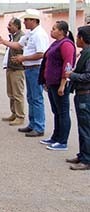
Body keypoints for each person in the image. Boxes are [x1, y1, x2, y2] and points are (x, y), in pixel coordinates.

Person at [0, 9, 49, 137]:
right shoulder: (30, 34)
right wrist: (3, 42)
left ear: (33, 20)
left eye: (26, 20)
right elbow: (18, 45)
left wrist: (23, 58)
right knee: (30, 98)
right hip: (29, 69)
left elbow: (41, 54)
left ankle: (39, 126)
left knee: (36, 98)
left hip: (35, 68)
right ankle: (33, 124)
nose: (25, 22)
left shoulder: (39, 35)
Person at [38, 21, 76, 151]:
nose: (51, 31)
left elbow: (68, 64)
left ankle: (62, 141)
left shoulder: (66, 44)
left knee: (63, 112)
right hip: (52, 83)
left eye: (54, 29)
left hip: (60, 84)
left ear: (61, 31)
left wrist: (62, 84)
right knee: (56, 111)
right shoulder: (56, 43)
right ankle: (55, 136)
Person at [65, 25, 90, 170]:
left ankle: (86, 160)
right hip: (81, 94)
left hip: (85, 95)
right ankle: (82, 154)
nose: (76, 40)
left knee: (86, 128)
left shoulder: (88, 54)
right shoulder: (84, 53)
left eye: (78, 37)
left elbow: (88, 76)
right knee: (82, 127)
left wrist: (72, 75)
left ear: (82, 38)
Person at [0, 18, 25, 126]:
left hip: (17, 69)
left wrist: (4, 42)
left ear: (16, 26)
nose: (8, 27)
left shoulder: (21, 37)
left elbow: (19, 48)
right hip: (10, 68)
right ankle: (14, 113)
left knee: (17, 94)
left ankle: (20, 116)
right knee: (11, 93)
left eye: (10, 25)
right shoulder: (13, 36)